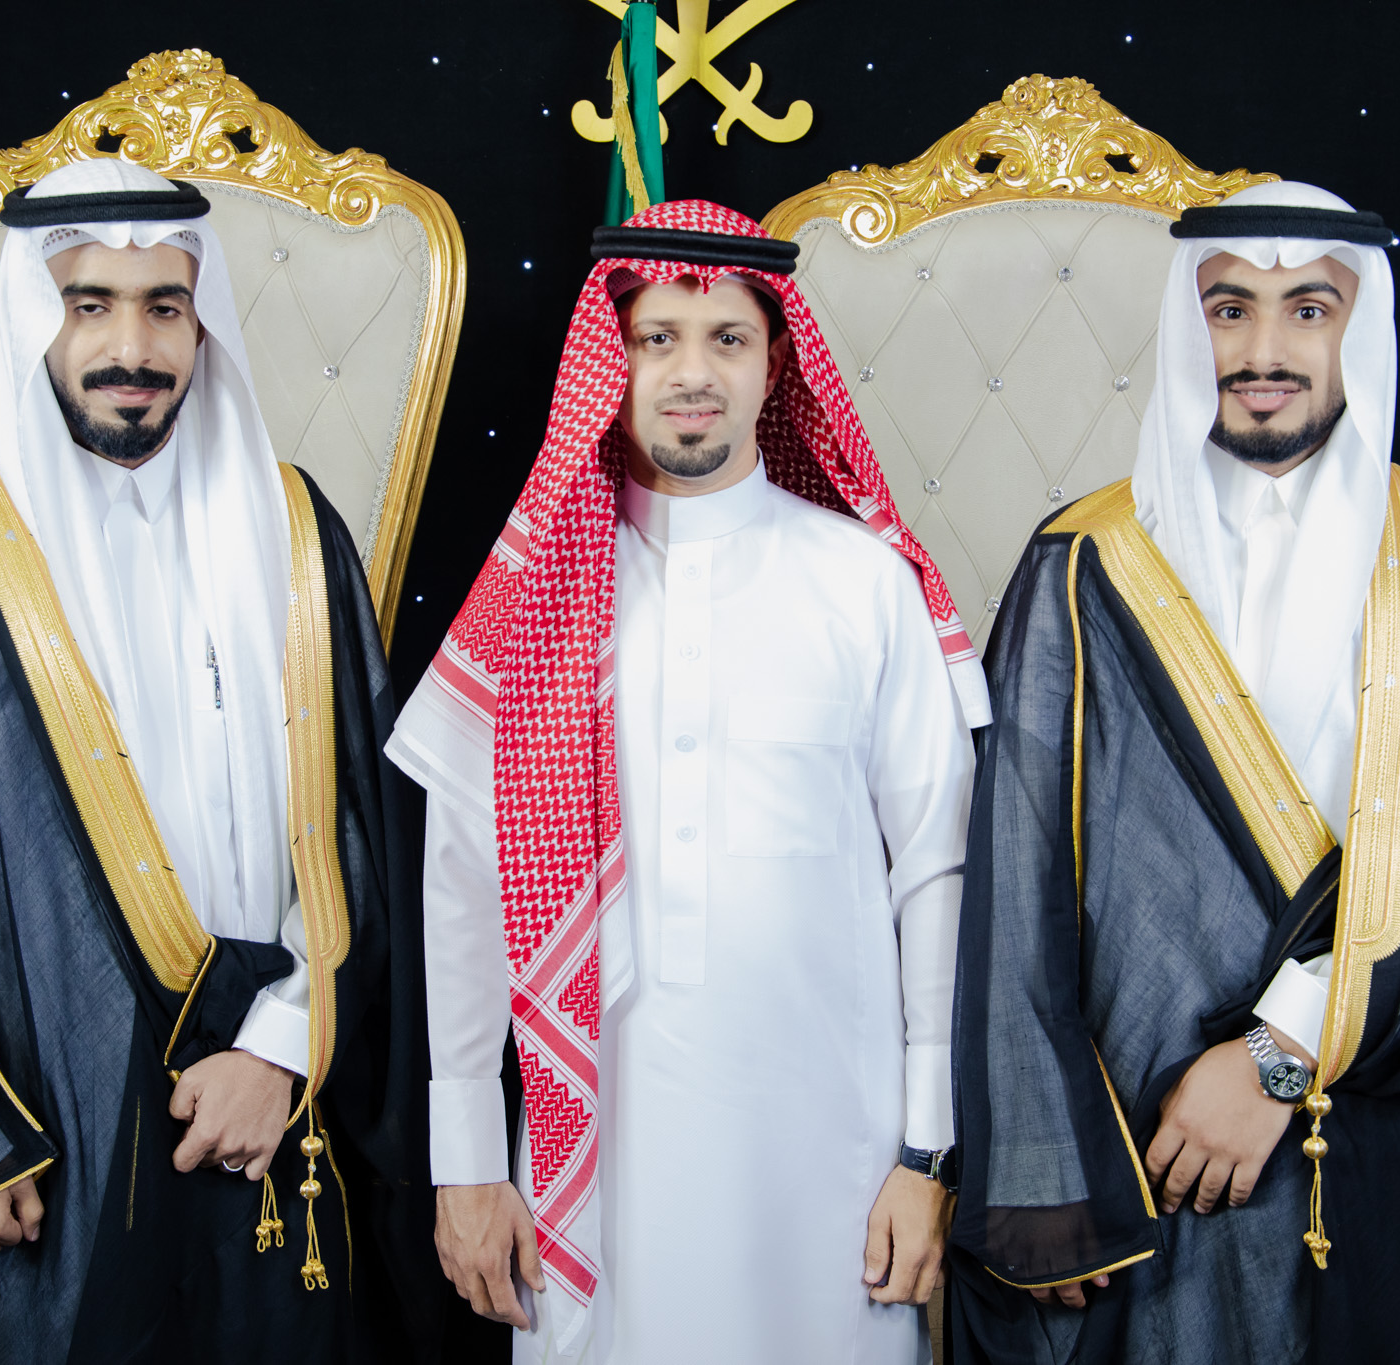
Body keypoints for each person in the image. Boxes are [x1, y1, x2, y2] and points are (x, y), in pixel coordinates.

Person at [0, 157, 454, 1363]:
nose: (129, 347)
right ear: (36, 318)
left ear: (203, 324)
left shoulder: (295, 531)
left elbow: (363, 828)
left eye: (163, 307)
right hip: (44, 1129)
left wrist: (282, 1046)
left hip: (268, 1106)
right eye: (87, 305)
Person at [944, 181, 1400, 1364]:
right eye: (1227, 309)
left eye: (1307, 309)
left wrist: (1275, 1056)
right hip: (1141, 1151)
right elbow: (1014, 884)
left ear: (1359, 330)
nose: (1262, 350)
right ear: (1184, 328)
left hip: (1395, 1122)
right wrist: (1048, 1182)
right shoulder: (1080, 562)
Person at [385, 199, 993, 1363]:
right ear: (606, 364)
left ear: (776, 364)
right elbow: (462, 884)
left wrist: (927, 1152)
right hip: (594, 1161)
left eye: (726, 339)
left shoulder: (863, 584)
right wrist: (462, 1158)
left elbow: (939, 875)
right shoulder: (535, 598)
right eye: (654, 338)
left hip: (836, 1162)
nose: (691, 373)